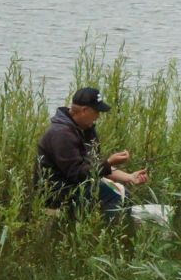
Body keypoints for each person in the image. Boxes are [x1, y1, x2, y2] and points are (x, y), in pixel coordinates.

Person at [36, 86, 148, 216]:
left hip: (76, 185)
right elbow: (78, 173)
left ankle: (115, 230)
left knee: (123, 193)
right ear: (84, 110)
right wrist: (109, 163)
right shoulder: (61, 134)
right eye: (97, 112)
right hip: (56, 194)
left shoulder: (85, 128)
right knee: (115, 197)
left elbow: (95, 165)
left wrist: (129, 177)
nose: (98, 116)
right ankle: (110, 234)